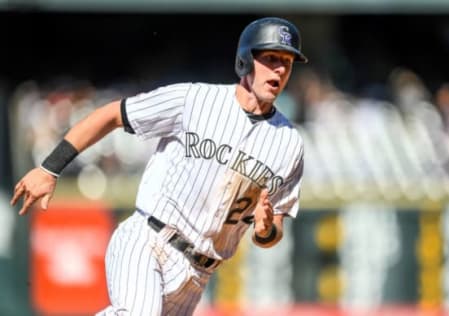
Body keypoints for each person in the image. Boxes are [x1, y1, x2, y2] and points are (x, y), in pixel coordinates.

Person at [10, 16, 307, 315]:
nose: (280, 69)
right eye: (270, 58)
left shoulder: (289, 144)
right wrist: (50, 168)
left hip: (197, 274)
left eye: (287, 61)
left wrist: (266, 229)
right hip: (149, 239)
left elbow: (273, 230)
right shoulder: (195, 99)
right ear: (246, 61)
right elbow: (113, 114)